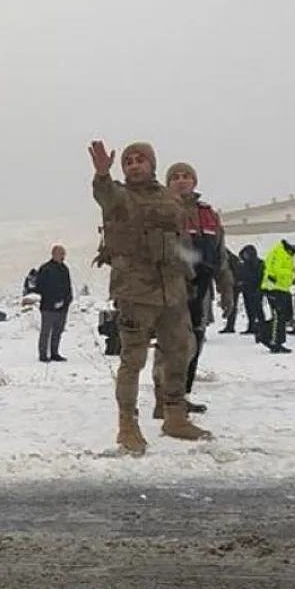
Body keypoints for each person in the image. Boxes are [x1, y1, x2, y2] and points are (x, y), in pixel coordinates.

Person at [89, 139, 210, 456]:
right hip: (136, 292)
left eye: (140, 160)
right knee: (133, 361)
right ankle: (127, 425)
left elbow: (181, 240)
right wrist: (102, 175)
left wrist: (190, 278)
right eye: (128, 161)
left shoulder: (170, 198)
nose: (134, 165)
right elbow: (104, 194)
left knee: (178, 352)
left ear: (152, 164)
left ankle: (174, 416)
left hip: (172, 290)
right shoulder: (119, 196)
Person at [151, 162, 233, 416]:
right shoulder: (160, 210)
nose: (181, 180)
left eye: (186, 176)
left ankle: (180, 395)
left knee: (193, 344)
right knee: (170, 345)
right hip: (172, 289)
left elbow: (220, 255)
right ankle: (163, 401)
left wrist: (226, 288)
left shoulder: (208, 214)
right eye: (175, 177)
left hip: (202, 289)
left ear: (194, 182)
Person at [35, 244, 73, 362]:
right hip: (48, 307)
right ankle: (43, 355)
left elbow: (68, 286)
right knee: (46, 331)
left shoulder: (64, 269)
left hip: (63, 308)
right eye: (61, 254)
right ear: (54, 254)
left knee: (58, 331)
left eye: (64, 254)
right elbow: (40, 287)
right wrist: (52, 301)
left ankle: (54, 353)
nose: (63, 256)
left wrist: (67, 300)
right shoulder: (45, 268)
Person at [261, 239, 295, 354]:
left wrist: (294, 272)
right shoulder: (278, 253)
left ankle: (275, 339)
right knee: (278, 317)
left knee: (284, 317)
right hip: (273, 288)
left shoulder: (287, 255)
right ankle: (273, 342)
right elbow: (275, 270)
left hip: (283, 288)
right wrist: (292, 272)